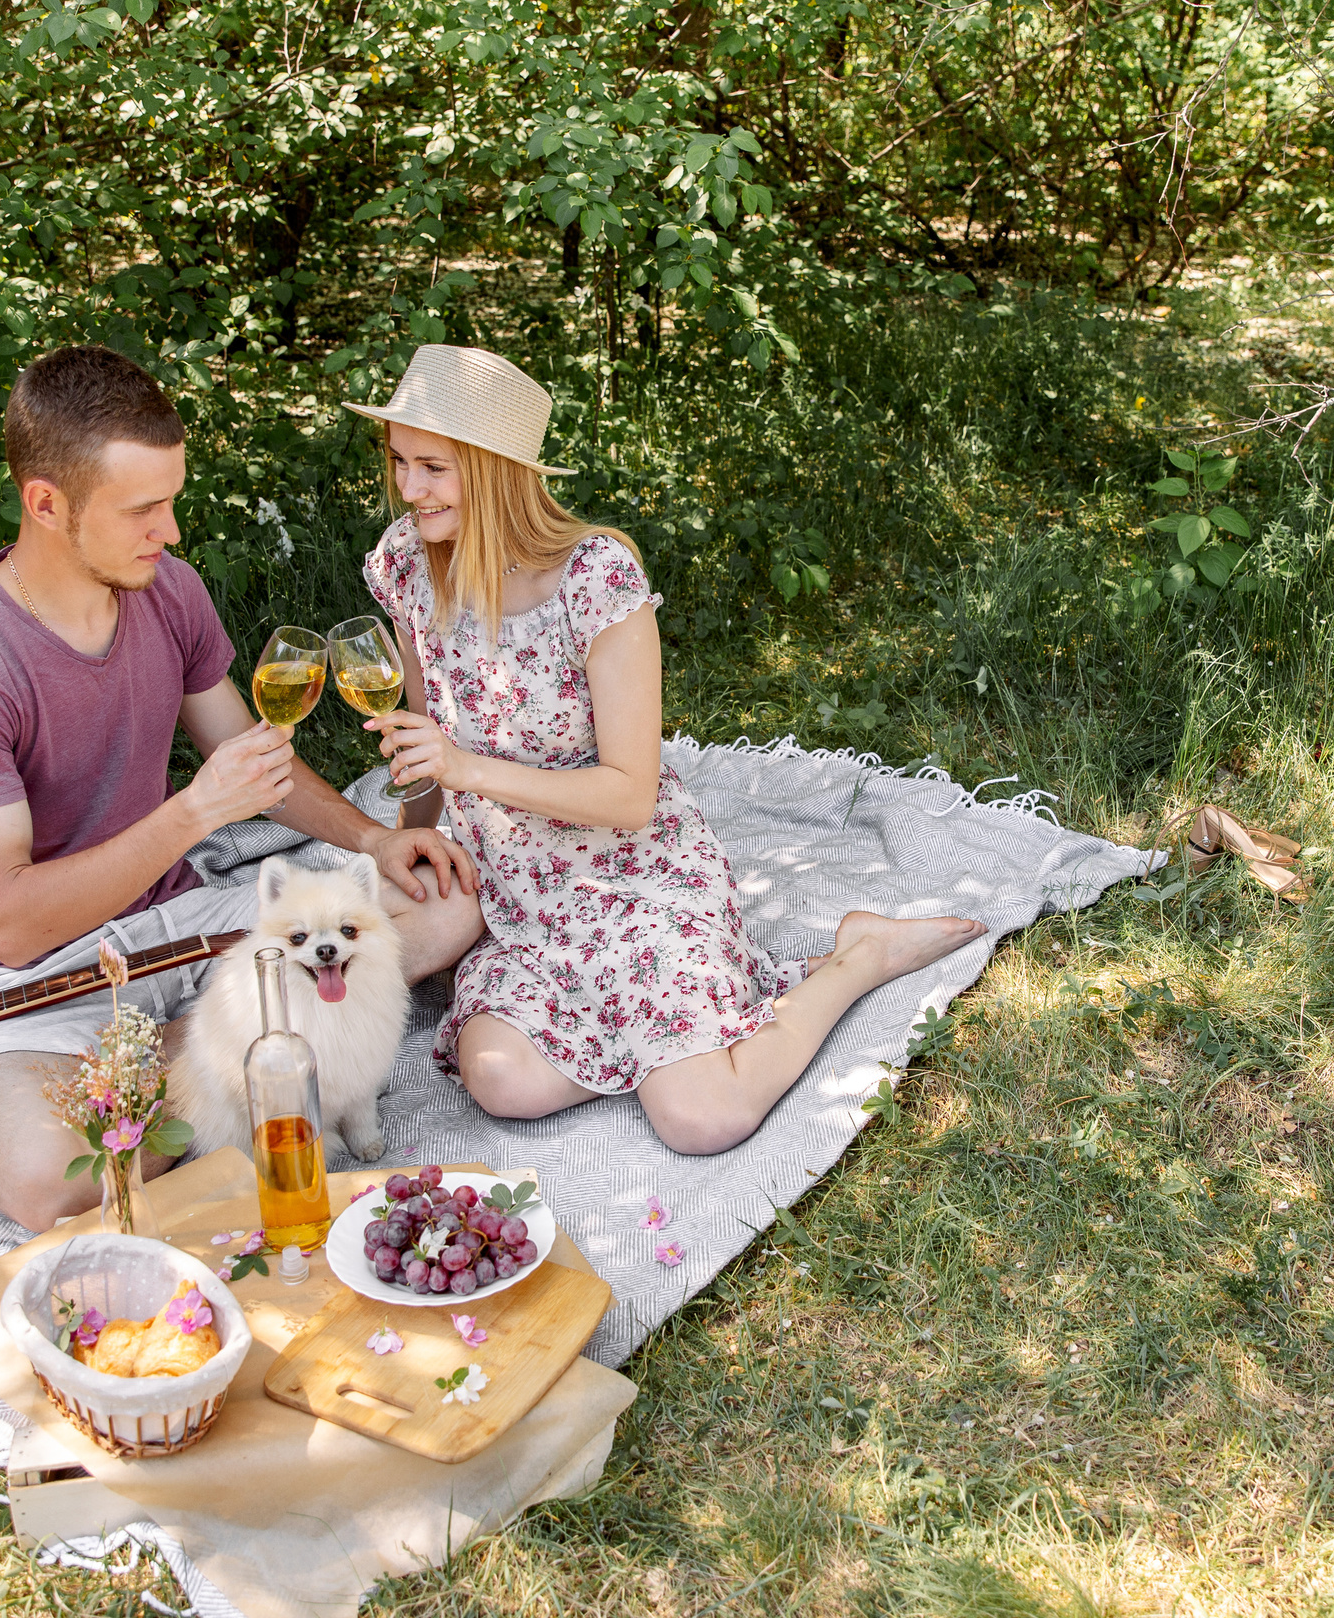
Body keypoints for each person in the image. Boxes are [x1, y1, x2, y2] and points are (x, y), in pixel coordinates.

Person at [0, 345, 482, 1231]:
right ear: (46, 504)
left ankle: (197, 1060)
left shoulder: (168, 591)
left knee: (446, 903)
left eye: (170, 501)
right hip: (35, 979)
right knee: (48, 1179)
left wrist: (372, 840)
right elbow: (10, 921)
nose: (169, 531)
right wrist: (196, 811)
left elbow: (253, 764)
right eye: (143, 510)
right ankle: (239, 1055)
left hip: (181, 930)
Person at [346, 345, 987, 1155]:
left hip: (630, 871)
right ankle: (654, 1034)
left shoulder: (594, 578)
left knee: (701, 1119)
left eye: (433, 467)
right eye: (401, 462)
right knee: (504, 1080)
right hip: (515, 887)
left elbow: (629, 794)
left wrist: (463, 768)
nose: (409, 488)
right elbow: (421, 739)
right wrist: (415, 839)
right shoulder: (409, 564)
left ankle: (858, 958)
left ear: (498, 470)